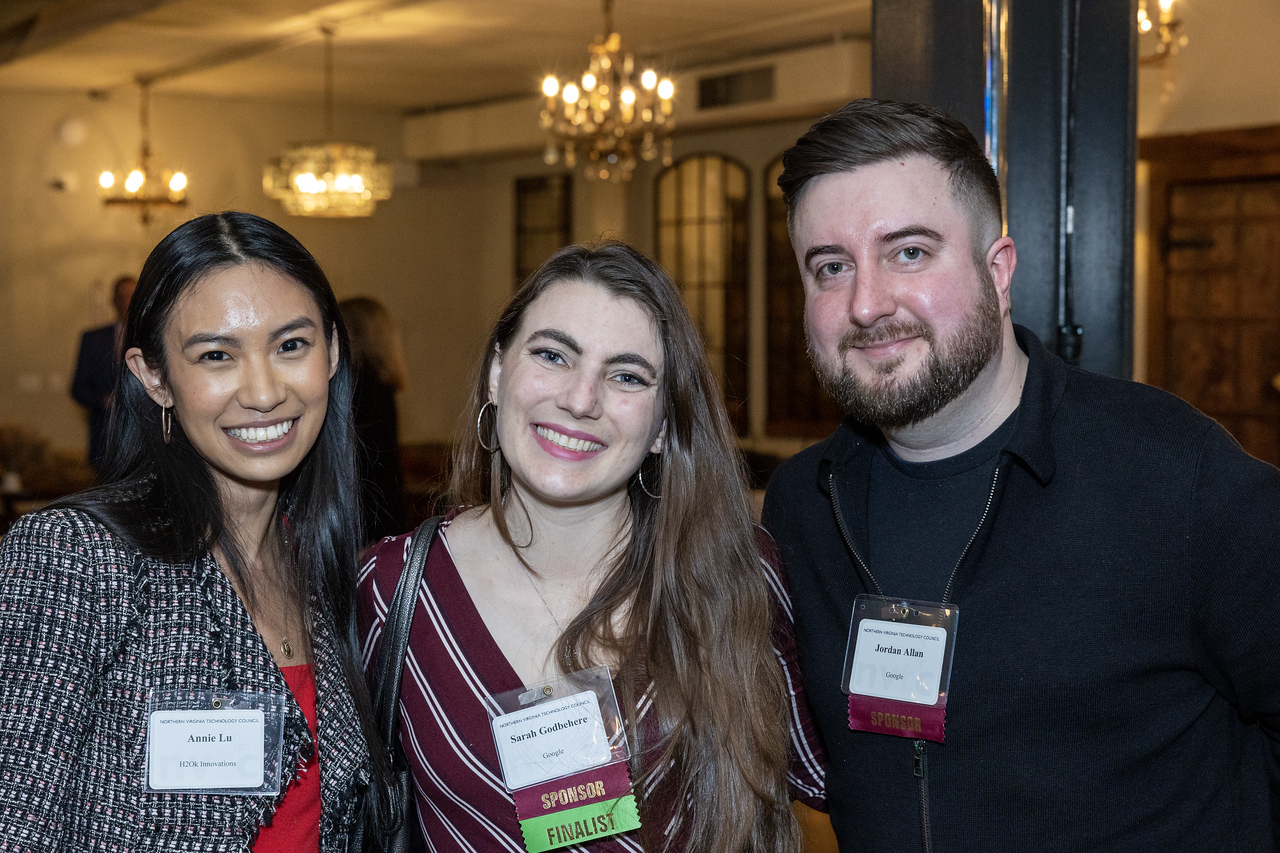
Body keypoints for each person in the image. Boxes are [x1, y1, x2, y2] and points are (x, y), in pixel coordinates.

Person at [762, 97, 1280, 852]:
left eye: (909, 252)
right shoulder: (804, 505)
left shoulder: (1175, 475)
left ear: (997, 271)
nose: (867, 303)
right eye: (831, 267)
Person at [357, 242, 825, 853]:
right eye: (553, 355)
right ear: (499, 373)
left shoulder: (739, 577)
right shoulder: (393, 590)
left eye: (627, 376)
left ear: (661, 426)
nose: (581, 400)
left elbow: (851, 782)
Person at [0, 212, 388, 851]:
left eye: (291, 345)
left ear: (333, 353)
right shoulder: (76, 558)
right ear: (154, 377)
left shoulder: (325, 567)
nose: (264, 392)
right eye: (216, 355)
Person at [340, 297, 408, 543]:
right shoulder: (380, 383)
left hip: (364, 520)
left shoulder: (359, 385)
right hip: (384, 512)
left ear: (355, 332)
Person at [71, 273, 136, 468]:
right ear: (114, 301)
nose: (128, 302)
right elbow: (78, 388)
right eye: (123, 296)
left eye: (133, 296)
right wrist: (104, 400)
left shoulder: (153, 339)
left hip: (143, 442)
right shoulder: (93, 339)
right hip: (105, 442)